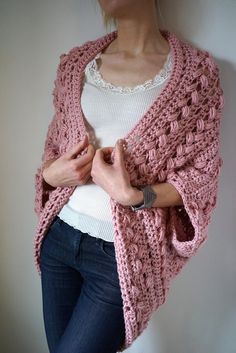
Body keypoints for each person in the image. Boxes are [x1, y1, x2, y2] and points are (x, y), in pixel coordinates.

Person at [33, 1, 224, 352]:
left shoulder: (196, 77)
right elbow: (53, 150)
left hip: (117, 260)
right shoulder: (76, 65)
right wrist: (51, 173)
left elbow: (200, 180)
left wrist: (135, 196)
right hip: (59, 239)